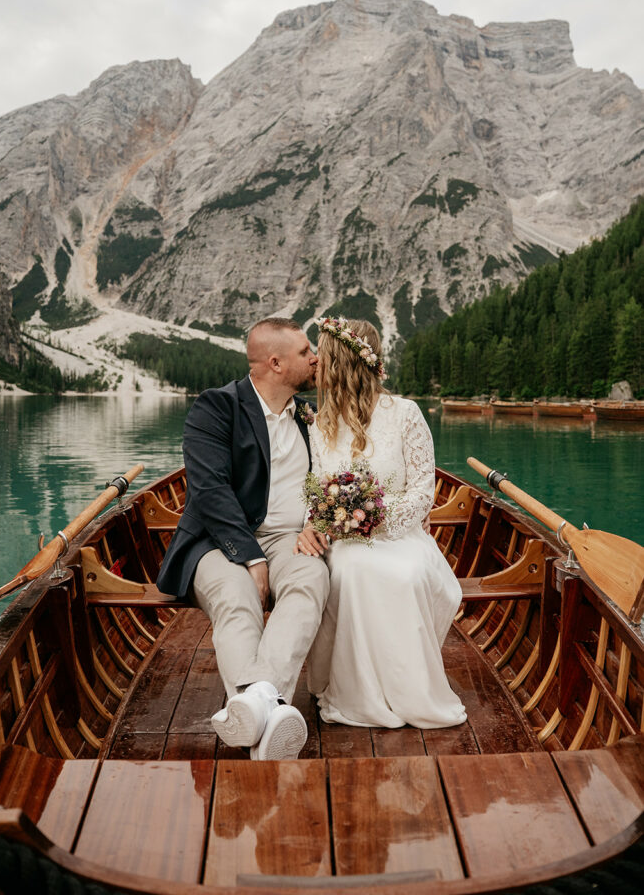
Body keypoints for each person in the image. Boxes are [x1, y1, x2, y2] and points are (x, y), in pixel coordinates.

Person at [156, 317, 330, 759]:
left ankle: (256, 707)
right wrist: (252, 559)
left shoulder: (309, 417)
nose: (316, 358)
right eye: (306, 350)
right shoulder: (216, 408)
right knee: (236, 597)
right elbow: (210, 491)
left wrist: (315, 524)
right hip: (217, 541)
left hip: (291, 538)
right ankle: (272, 715)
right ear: (275, 362)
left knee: (311, 581)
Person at [294, 316, 466, 729]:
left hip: (402, 535)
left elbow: (424, 491)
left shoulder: (405, 413)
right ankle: (357, 693)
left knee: (404, 574)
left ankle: (409, 691)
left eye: (324, 356)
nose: (316, 363)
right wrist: (313, 524)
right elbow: (315, 486)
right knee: (350, 569)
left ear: (343, 362)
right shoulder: (321, 424)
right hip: (344, 540)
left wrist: (376, 518)